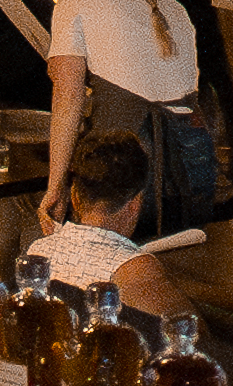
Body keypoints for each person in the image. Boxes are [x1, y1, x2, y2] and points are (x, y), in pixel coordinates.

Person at [39, 0, 221, 241]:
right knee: (174, 258)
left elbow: (68, 100)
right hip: (192, 167)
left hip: (124, 170)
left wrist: (56, 187)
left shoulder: (76, 2)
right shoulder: (176, 9)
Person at [19, 132, 201, 325]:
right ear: (135, 205)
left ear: (75, 197)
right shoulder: (135, 270)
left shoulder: (37, 251)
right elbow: (191, 331)